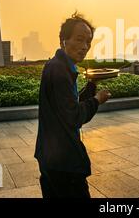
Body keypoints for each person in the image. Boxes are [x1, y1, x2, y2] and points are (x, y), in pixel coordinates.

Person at [35, 12, 111, 198]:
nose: (84, 47)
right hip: (63, 161)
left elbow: (68, 104)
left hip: (51, 156)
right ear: (64, 40)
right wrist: (97, 100)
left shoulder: (59, 65)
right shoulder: (60, 70)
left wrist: (91, 85)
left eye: (88, 42)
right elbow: (74, 116)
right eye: (79, 40)